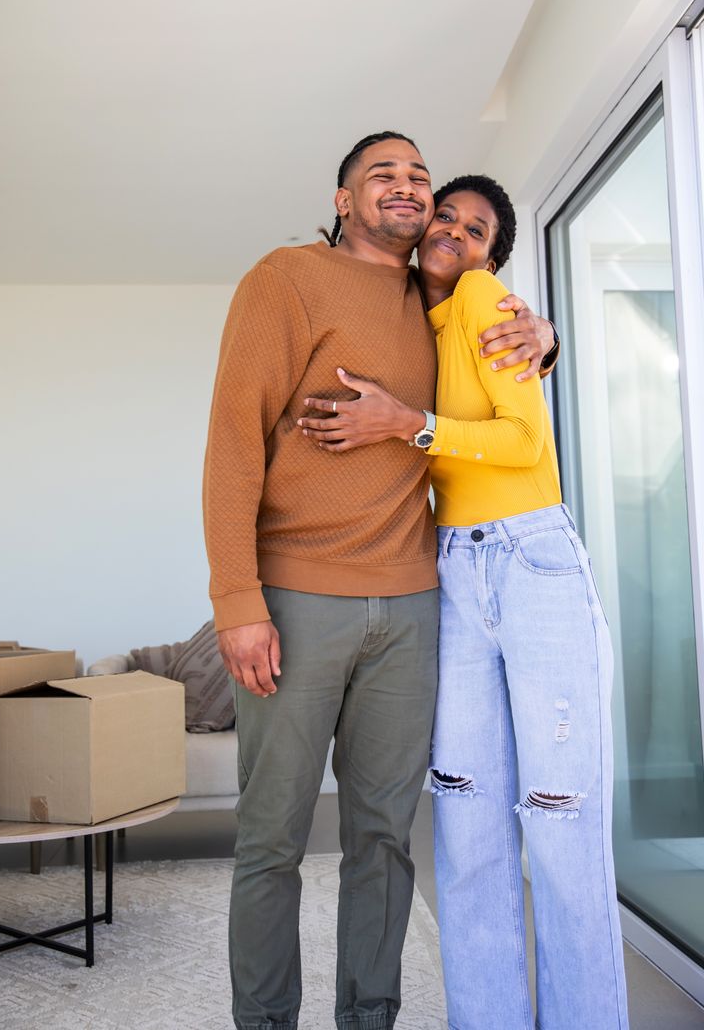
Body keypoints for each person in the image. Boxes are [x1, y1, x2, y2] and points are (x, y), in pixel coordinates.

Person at [203, 134, 556, 1030]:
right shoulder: (285, 279)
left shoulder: (436, 303)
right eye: (383, 175)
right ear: (343, 198)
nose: (407, 186)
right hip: (296, 600)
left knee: (385, 841)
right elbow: (235, 446)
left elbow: (492, 379)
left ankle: (370, 1017)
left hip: (413, 605)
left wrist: (547, 337)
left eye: (419, 176)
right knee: (272, 838)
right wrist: (237, 601)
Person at [298, 175, 629, 1029]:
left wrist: (414, 423)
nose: (454, 232)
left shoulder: (484, 298)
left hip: (530, 558)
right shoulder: (412, 316)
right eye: (447, 215)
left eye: (477, 230)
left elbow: (524, 444)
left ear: (492, 254)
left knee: (560, 821)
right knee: (467, 824)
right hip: (452, 567)